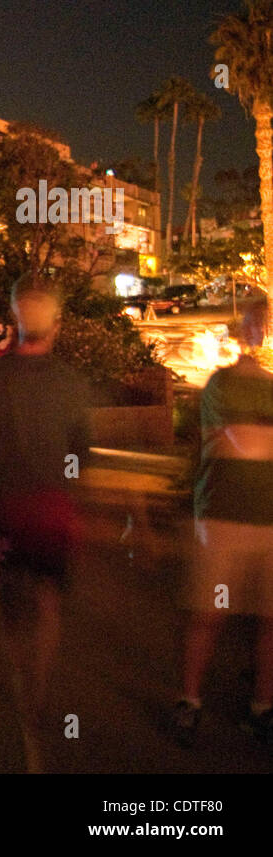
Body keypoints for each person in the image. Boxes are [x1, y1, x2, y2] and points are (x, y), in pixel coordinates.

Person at [0, 274, 92, 772]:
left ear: (14, 322)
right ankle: (39, 685)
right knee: (49, 599)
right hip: (56, 508)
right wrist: (68, 484)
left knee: (14, 605)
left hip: (10, 509)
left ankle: (24, 694)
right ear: (56, 325)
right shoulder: (70, 381)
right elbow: (82, 450)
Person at [172, 300, 273, 748]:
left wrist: (254, 433)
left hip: (267, 517)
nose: (259, 331)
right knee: (209, 613)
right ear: (242, 329)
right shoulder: (220, 385)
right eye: (254, 322)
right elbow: (239, 443)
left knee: (270, 619)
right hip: (222, 513)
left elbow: (249, 439)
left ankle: (261, 707)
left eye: (265, 324)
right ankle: (190, 700)